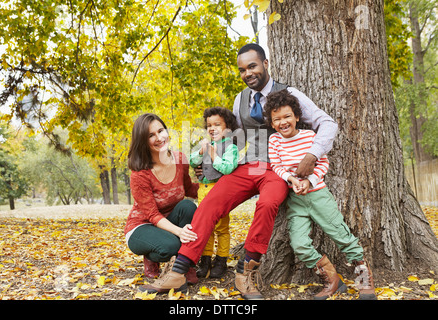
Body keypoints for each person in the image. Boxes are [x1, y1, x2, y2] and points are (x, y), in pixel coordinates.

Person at [138, 43, 338, 300]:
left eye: (252, 66)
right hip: (248, 166)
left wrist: (312, 155)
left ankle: (246, 271)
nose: (247, 73)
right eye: (242, 70)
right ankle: (180, 269)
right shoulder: (240, 99)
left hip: (277, 170)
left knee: (266, 205)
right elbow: (232, 140)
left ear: (266, 64)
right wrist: (208, 164)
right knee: (210, 202)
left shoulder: (289, 93)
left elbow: (327, 123)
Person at [265, 90, 376, 300]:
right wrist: (292, 180)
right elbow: (277, 166)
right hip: (295, 200)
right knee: (299, 243)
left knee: (342, 237)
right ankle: (333, 279)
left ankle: (364, 280)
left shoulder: (309, 137)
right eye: (277, 119)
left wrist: (309, 181)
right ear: (272, 123)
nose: (283, 122)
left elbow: (323, 163)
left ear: (297, 116)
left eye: (287, 116)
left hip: (318, 195)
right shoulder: (274, 142)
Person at [124, 113, 199, 288]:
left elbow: (189, 190)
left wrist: (214, 184)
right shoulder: (140, 174)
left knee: (188, 206)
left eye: (160, 131)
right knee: (171, 246)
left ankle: (184, 264)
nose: (159, 138)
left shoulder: (180, 159)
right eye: (151, 135)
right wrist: (180, 232)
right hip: (142, 226)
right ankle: (152, 256)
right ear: (143, 141)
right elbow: (152, 215)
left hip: (170, 221)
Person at [190, 107, 239, 279]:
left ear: (228, 128)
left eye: (217, 124)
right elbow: (192, 161)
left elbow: (227, 168)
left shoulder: (230, 147)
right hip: (203, 190)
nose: (212, 128)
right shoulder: (205, 144)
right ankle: (205, 260)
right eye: (209, 125)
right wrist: (203, 152)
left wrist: (213, 155)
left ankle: (221, 260)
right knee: (206, 227)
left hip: (219, 191)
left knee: (221, 228)